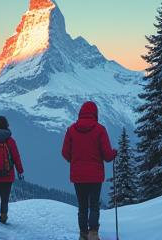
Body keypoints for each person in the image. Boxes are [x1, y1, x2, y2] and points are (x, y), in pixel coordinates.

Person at [62, 101, 117, 240]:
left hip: (78, 175)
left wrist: (74, 161)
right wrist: (114, 153)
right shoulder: (100, 129)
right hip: (95, 175)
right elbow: (108, 156)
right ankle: (93, 235)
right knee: (94, 205)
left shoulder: (71, 130)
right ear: (95, 114)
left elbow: (64, 152)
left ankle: (83, 234)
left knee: (82, 206)